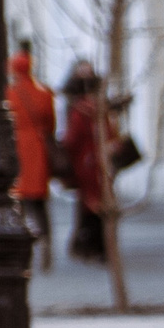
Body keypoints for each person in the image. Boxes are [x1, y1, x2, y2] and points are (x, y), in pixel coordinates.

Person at [7, 45, 56, 271]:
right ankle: (46, 242)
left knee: (20, 200)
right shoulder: (44, 93)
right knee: (39, 201)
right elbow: (50, 126)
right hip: (38, 149)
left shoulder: (10, 94)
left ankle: (22, 247)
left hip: (18, 148)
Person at [60, 62, 105, 263]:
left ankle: (88, 244)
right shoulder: (97, 109)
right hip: (95, 160)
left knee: (90, 202)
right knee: (93, 201)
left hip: (86, 160)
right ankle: (90, 244)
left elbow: (72, 139)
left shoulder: (80, 110)